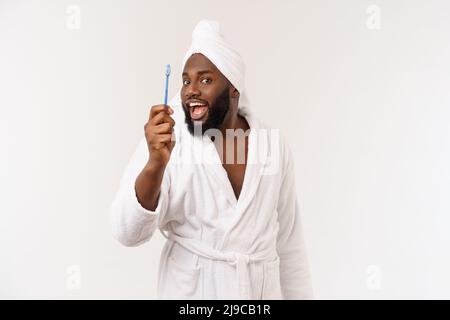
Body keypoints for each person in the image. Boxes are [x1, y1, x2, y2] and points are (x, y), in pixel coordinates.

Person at [110, 20, 313, 299]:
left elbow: (289, 245)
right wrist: (156, 164)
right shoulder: (169, 139)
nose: (191, 90)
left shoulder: (272, 144)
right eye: (185, 81)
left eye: (205, 80)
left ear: (233, 88)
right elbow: (126, 231)